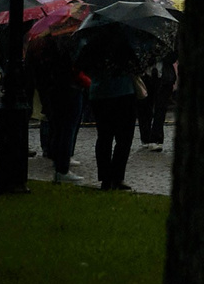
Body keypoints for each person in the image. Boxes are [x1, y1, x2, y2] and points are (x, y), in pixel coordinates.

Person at [28, 30, 83, 181]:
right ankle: (62, 167)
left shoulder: (41, 46)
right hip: (68, 89)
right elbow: (75, 66)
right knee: (67, 129)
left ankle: (57, 160)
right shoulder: (65, 44)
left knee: (57, 128)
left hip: (51, 91)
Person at [87, 47, 142, 190]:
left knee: (104, 137)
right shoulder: (126, 43)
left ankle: (106, 178)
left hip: (99, 93)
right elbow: (138, 65)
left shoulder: (91, 44)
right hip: (123, 92)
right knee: (124, 139)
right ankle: (117, 176)